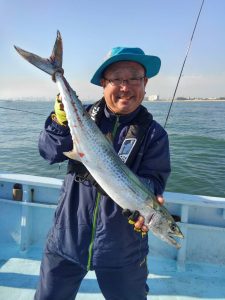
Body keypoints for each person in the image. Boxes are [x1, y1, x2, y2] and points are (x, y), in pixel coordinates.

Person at [34, 47, 171, 300]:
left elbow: (154, 179)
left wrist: (148, 197)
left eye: (133, 79)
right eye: (117, 79)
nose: (125, 87)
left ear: (145, 83)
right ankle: (55, 70)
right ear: (103, 84)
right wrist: (58, 121)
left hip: (124, 251)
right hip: (66, 239)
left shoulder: (154, 135)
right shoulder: (82, 114)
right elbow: (48, 152)